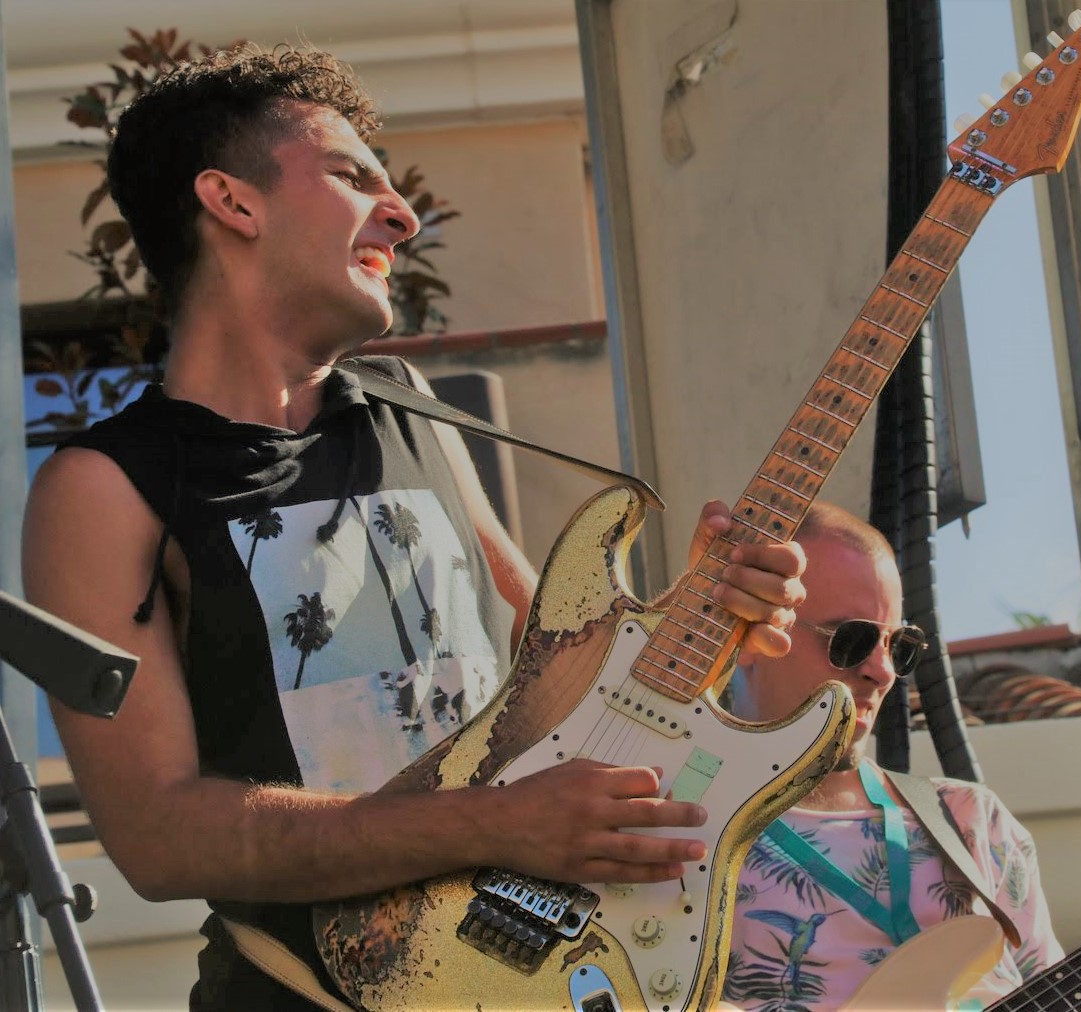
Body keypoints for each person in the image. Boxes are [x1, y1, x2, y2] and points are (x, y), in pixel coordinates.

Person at [20, 44, 809, 1009]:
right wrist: (489, 825)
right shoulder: (101, 487)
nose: (400, 213)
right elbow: (156, 834)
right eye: (353, 177)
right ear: (234, 203)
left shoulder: (410, 407)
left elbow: (552, 674)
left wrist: (700, 611)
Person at [726, 502, 1081, 1012]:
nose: (883, 671)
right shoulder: (677, 826)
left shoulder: (970, 819)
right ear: (749, 635)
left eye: (898, 645)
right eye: (851, 639)